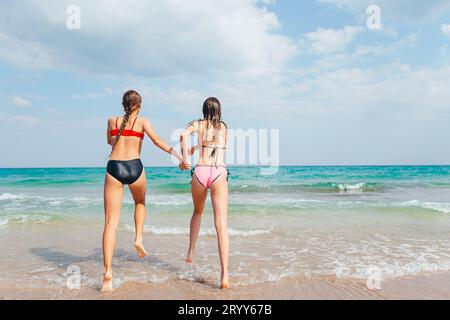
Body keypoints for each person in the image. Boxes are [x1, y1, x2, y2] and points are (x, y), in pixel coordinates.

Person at [102, 90, 186, 292]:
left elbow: (109, 142)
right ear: (139, 106)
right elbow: (157, 141)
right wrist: (177, 155)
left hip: (114, 168)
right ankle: (138, 238)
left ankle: (107, 274)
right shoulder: (142, 121)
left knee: (110, 223)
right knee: (140, 203)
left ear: (123, 104)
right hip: (135, 167)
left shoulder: (112, 120)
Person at [180, 97, 230, 289]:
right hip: (218, 172)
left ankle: (191, 252)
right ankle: (224, 276)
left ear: (203, 110)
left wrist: (186, 158)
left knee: (197, 212)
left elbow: (184, 135)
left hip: (200, 171)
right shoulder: (224, 127)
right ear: (219, 110)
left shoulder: (198, 124)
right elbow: (213, 146)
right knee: (221, 224)